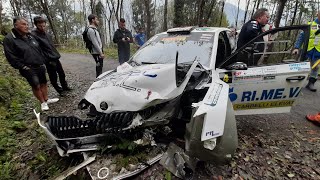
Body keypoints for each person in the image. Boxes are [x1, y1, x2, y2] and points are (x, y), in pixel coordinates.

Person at [3, 17, 58, 111]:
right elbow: (11, 56)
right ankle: (42, 103)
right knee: (36, 84)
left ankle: (46, 99)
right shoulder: (9, 39)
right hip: (27, 67)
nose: (27, 26)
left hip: (39, 64)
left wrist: (44, 60)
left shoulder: (30, 35)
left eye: (27, 24)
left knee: (43, 83)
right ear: (16, 25)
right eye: (23, 24)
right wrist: (22, 66)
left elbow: (40, 48)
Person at [31, 16, 72, 96]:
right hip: (48, 60)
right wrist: (46, 59)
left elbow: (51, 46)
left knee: (61, 73)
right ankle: (59, 90)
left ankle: (65, 86)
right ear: (36, 24)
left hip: (55, 57)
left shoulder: (47, 34)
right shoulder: (34, 35)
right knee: (53, 76)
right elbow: (37, 50)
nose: (42, 26)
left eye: (44, 24)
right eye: (40, 25)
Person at [292, 11, 320, 92]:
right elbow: (301, 37)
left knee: (316, 68)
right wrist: (296, 47)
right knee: (301, 66)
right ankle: (296, 82)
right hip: (307, 50)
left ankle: (311, 83)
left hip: (318, 52)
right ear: (318, 14)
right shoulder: (310, 24)